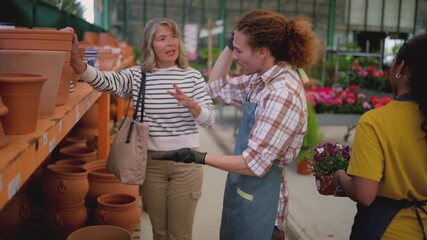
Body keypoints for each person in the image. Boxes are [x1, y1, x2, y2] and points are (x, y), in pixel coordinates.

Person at [153, 9, 320, 240]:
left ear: (262, 52)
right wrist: (231, 43)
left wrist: (198, 157)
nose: (233, 56)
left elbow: (253, 164)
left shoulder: (281, 93)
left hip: (263, 205)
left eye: (239, 51)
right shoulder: (258, 80)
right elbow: (216, 86)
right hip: (242, 191)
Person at [62, 17, 215, 240]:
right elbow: (106, 81)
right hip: (151, 165)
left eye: (174, 37)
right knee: (160, 233)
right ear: (150, 45)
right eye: (162, 38)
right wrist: (77, 63)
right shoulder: (138, 75)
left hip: (187, 166)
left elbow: (210, 121)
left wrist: (194, 107)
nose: (170, 43)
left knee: (180, 235)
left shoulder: (192, 77)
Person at [333, 33, 427, 240]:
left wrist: (340, 174)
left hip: (387, 230)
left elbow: (364, 194)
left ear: (400, 68)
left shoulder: (376, 121)